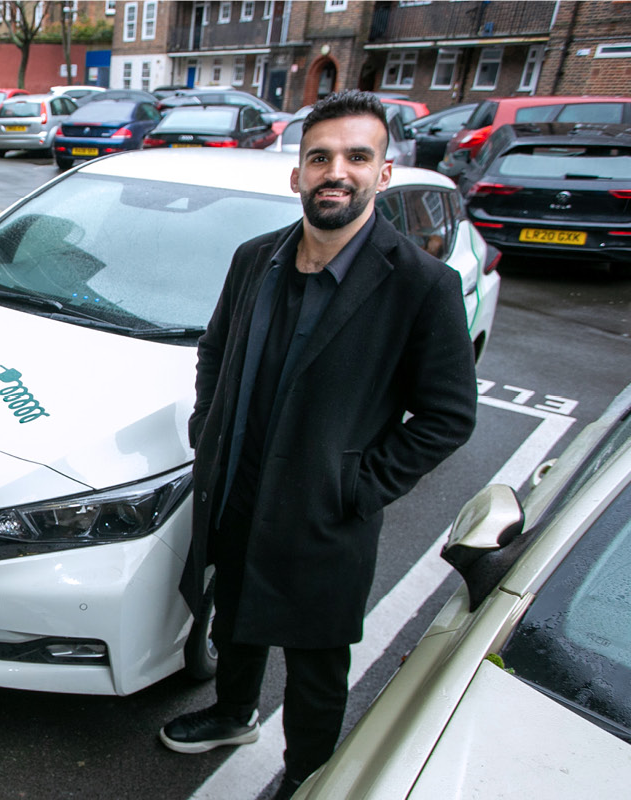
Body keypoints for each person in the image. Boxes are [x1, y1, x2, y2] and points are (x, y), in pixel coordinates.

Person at [160, 90, 478, 800]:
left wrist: (356, 486)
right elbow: (216, 349)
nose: (338, 171)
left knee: (315, 662)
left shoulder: (422, 286)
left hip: (324, 514)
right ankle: (231, 713)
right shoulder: (255, 260)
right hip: (239, 491)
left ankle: (308, 771)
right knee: (236, 620)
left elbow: (449, 416)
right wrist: (208, 428)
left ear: (383, 174)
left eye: (357, 157)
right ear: (296, 174)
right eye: (321, 157)